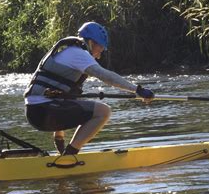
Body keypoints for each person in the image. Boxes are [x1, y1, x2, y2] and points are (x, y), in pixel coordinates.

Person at [24, 22, 154, 155]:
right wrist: (137, 89)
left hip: (36, 112)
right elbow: (106, 76)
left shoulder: (68, 52)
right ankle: (71, 154)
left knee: (78, 103)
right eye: (101, 47)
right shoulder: (78, 54)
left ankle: (67, 153)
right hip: (44, 110)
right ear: (91, 43)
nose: (101, 52)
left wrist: (59, 141)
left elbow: (62, 98)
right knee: (103, 111)